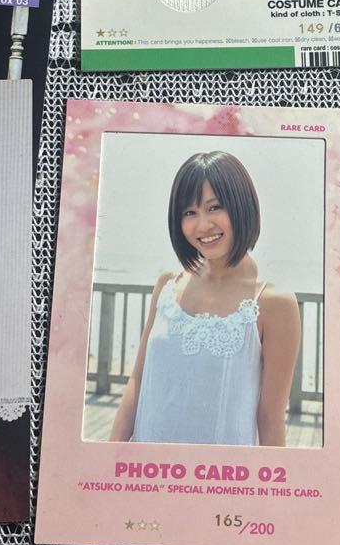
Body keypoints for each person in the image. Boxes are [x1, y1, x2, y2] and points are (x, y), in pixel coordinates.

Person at [110, 151, 301, 446]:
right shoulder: (167, 286)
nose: (202, 225)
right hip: (148, 467)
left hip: (224, 472)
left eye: (214, 208)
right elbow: (137, 381)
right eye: (189, 213)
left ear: (242, 206)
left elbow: (270, 418)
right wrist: (108, 457)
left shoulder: (274, 304)